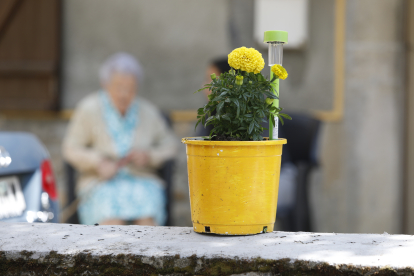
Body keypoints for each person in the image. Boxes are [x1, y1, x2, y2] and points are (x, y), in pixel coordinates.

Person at [62, 52, 177, 226]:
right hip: (101, 182)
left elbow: (170, 146)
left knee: (147, 222)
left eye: (130, 89)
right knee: (111, 222)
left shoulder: (148, 111)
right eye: (118, 87)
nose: (124, 94)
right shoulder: (88, 109)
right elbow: (70, 148)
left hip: (141, 180)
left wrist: (149, 156)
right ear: (105, 84)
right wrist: (98, 162)